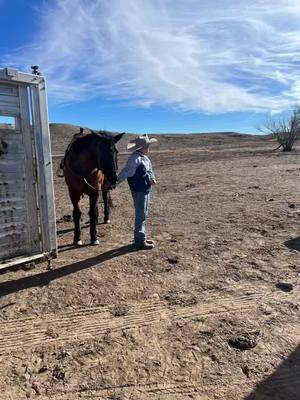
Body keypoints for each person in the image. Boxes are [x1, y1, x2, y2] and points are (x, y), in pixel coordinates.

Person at [117, 134, 157, 250]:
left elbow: (149, 170)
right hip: (139, 191)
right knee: (141, 215)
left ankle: (141, 237)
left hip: (145, 189)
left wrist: (152, 178)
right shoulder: (135, 158)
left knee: (143, 214)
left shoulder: (144, 157)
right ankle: (139, 241)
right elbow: (126, 172)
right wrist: (115, 182)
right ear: (141, 147)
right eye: (147, 146)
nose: (149, 148)